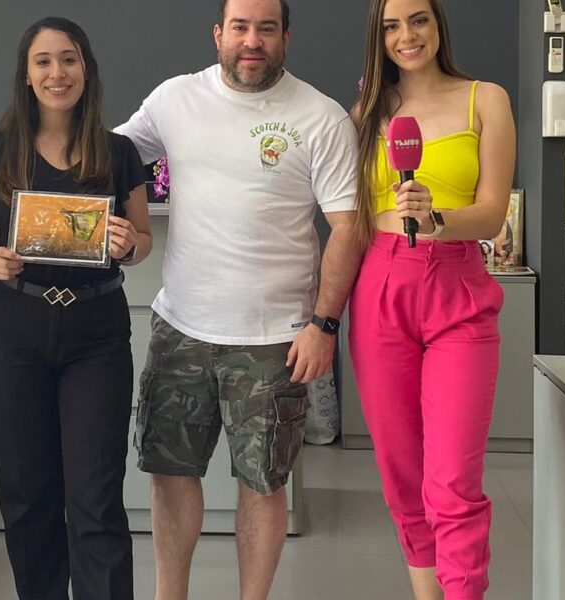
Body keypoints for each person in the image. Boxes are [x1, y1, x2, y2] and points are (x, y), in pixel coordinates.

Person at [115, 0, 362, 597]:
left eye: (266, 29)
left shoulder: (321, 117)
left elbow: (348, 228)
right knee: (170, 472)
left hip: (274, 340)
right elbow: (107, 160)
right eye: (241, 28)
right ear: (218, 34)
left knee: (263, 482)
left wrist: (324, 325)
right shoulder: (175, 99)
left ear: (286, 38)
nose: (252, 41)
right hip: (181, 329)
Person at [0, 17, 152, 600]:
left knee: (96, 496)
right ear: (26, 74)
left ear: (86, 69)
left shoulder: (119, 152)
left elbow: (142, 238)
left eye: (68, 59)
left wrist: (129, 245)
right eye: (43, 61)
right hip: (13, 332)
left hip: (97, 335)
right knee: (27, 494)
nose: (57, 73)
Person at [348, 0, 516, 598]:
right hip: (380, 286)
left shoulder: (485, 100)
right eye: (391, 26)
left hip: (458, 289)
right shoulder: (366, 114)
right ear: (379, 38)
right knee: (401, 474)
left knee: (452, 483)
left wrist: (437, 218)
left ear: (438, 24)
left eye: (418, 19)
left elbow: (492, 213)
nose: (407, 35)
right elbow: (351, 218)